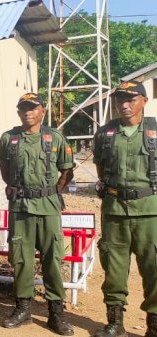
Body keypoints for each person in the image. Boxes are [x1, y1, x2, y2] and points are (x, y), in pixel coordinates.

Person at [0, 93, 74, 335]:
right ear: (18, 112)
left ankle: (56, 313)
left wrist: (50, 193)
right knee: (20, 259)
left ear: (42, 110)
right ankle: (23, 308)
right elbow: (4, 170)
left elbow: (66, 171)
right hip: (20, 207)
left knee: (52, 259)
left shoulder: (56, 138)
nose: (28, 112)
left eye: (32, 108)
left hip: (49, 207)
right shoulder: (9, 139)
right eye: (23, 108)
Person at [93, 80, 156, 337]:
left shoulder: (154, 130)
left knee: (154, 268)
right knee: (114, 268)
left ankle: (153, 324)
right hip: (115, 210)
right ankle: (115, 323)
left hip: (150, 211)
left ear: (144, 101)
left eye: (131, 99)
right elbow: (101, 168)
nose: (124, 105)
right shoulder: (105, 133)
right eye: (120, 100)